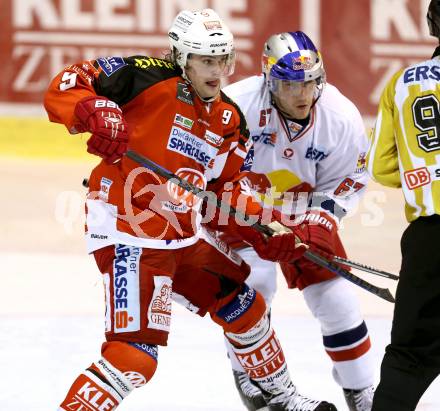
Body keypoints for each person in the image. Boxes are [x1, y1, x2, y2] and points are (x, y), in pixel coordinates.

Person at [44, 9, 337, 411]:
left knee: (247, 308)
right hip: (127, 234)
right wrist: (93, 111)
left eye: (223, 60)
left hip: (182, 237)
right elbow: (66, 84)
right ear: (182, 58)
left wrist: (267, 231)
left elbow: (227, 192)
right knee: (135, 357)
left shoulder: (229, 119)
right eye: (206, 61)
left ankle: (282, 400)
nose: (218, 71)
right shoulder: (144, 75)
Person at [220, 31, 375, 411]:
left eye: (310, 82)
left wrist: (323, 217)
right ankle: (249, 370)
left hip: (304, 211)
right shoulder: (236, 105)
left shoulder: (339, 117)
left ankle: (362, 391)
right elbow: (211, 169)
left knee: (338, 302)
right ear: (270, 81)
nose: (303, 94)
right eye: (290, 85)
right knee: (254, 286)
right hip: (245, 212)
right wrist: (245, 211)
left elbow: (350, 180)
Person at [367, 1, 440, 409]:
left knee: (409, 356)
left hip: (429, 238)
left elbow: (380, 166)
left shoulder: (403, 83)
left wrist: (424, 177)